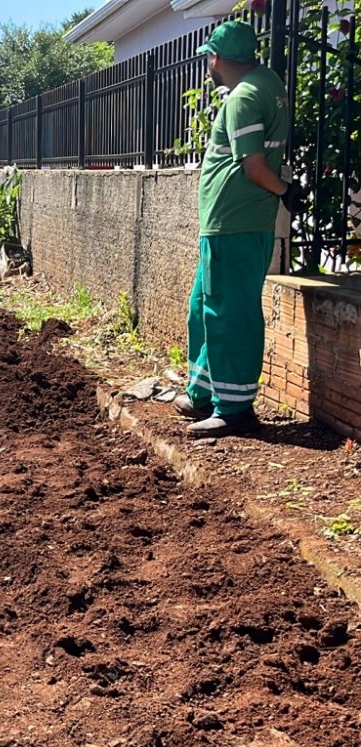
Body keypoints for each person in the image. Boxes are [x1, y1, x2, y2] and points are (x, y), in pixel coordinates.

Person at [174, 20, 301, 438]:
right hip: (230, 223)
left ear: (219, 58)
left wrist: (284, 190)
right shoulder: (265, 82)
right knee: (205, 307)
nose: (208, 64)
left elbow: (254, 167)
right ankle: (204, 393)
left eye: (209, 57)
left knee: (229, 312)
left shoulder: (244, 97)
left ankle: (234, 410)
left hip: (235, 223)